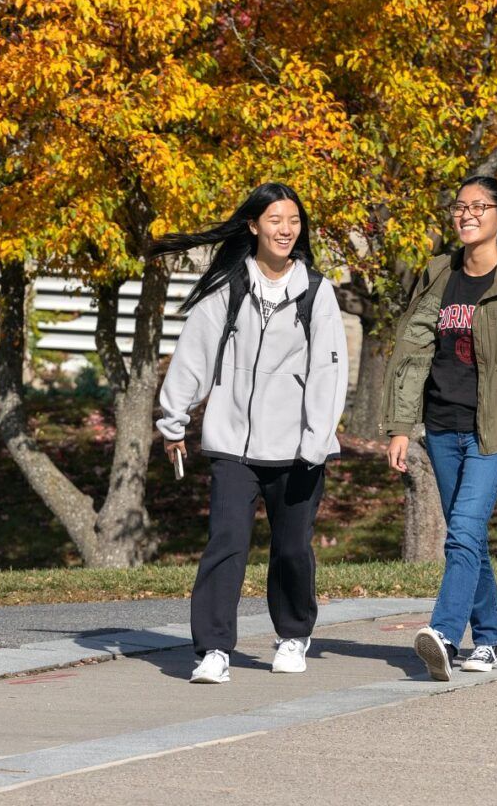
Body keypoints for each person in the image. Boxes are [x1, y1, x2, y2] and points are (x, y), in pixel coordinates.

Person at [153, 182, 349, 683]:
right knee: (227, 542)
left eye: (294, 221)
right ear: (254, 226)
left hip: (298, 448)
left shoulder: (316, 291)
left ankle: (292, 636)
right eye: (276, 220)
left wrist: (316, 438)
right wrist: (173, 420)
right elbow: (193, 354)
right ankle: (214, 649)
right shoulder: (228, 287)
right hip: (233, 443)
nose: (286, 229)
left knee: (291, 549)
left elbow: (330, 372)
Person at [382, 175, 497, 681]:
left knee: (461, 532)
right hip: (441, 427)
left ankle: (442, 632)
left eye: (479, 207)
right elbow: (414, 349)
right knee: (471, 536)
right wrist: (400, 425)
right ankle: (489, 640)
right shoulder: (438, 273)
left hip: (494, 433)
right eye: (460, 206)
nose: (467, 214)